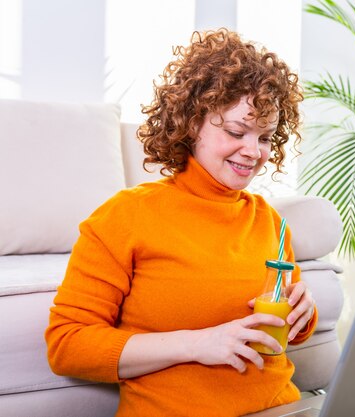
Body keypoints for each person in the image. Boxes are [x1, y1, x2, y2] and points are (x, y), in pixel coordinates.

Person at [45, 29, 317, 417]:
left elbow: (282, 323)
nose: (253, 152)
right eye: (237, 131)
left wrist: (303, 315)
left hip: (281, 409)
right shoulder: (126, 216)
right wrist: (196, 343)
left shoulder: (268, 221)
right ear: (192, 123)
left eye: (265, 137)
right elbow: (67, 345)